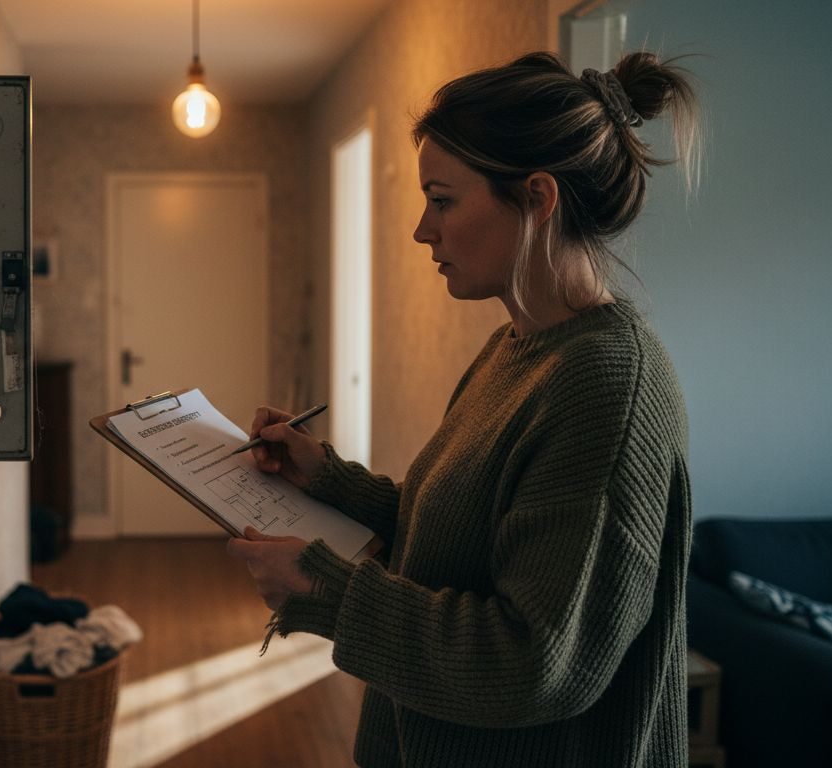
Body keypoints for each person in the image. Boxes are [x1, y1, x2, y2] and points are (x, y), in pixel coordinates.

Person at [226, 50, 700, 768]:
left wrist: (327, 588)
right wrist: (324, 476)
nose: (423, 229)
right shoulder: (517, 348)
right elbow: (456, 538)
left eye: (443, 199)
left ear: (538, 200)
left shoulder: (606, 386)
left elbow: (535, 661)